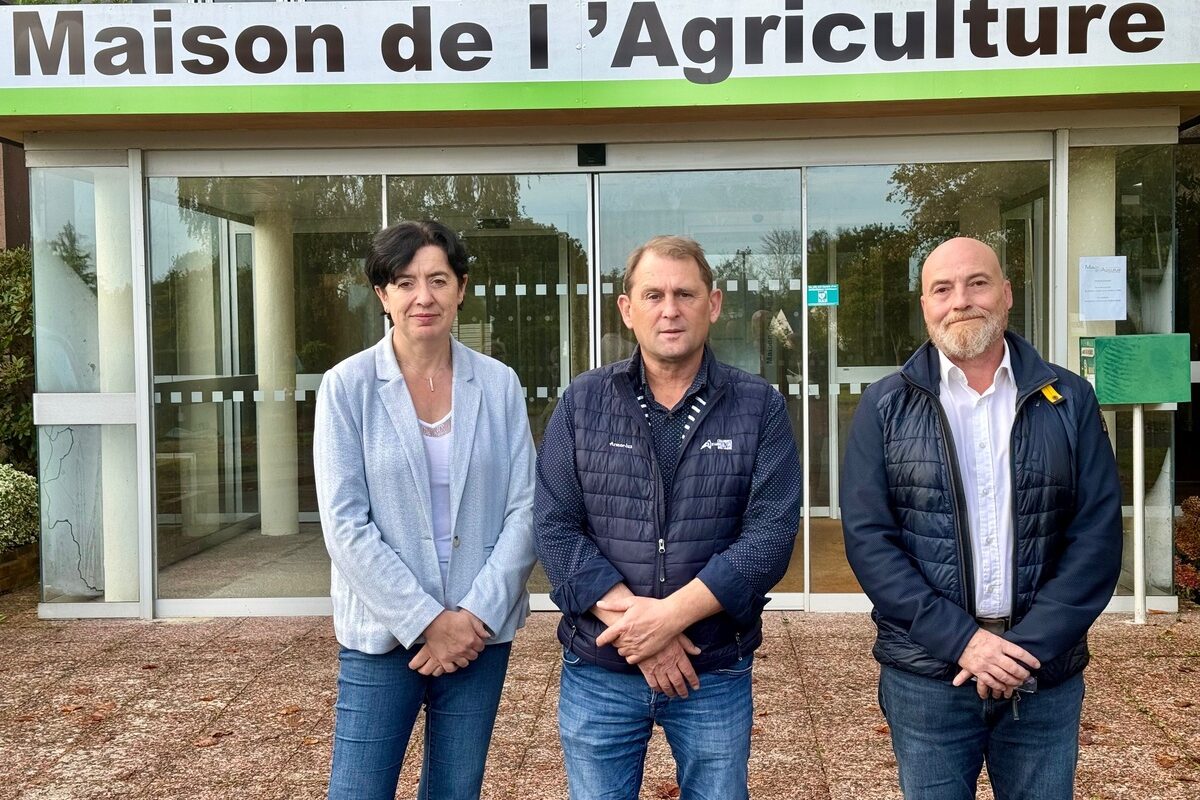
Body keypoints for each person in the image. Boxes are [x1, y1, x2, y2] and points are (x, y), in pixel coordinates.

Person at [841, 236, 1122, 800]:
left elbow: (1097, 535)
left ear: (1007, 294)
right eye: (941, 289)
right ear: (925, 306)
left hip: (1042, 672)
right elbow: (870, 540)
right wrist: (964, 642)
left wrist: (1027, 649)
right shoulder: (884, 405)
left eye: (977, 283)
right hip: (929, 674)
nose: (960, 300)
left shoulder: (1068, 399)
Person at [534, 235, 802, 800]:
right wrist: (645, 630)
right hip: (601, 668)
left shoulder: (759, 406)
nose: (670, 309)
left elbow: (771, 537)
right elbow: (554, 528)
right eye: (652, 294)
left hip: (712, 670)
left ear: (715, 303)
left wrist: (672, 617)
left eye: (685, 293)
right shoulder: (582, 401)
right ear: (627, 309)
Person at [314, 220, 536, 800]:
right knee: (357, 790)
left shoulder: (499, 384)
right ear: (383, 295)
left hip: (477, 636)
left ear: (461, 288)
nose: (424, 296)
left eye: (438, 279)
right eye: (405, 282)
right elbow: (344, 524)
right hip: (383, 635)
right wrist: (426, 622)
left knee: (456, 791)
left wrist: (471, 617)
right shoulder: (347, 387)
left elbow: (526, 508)